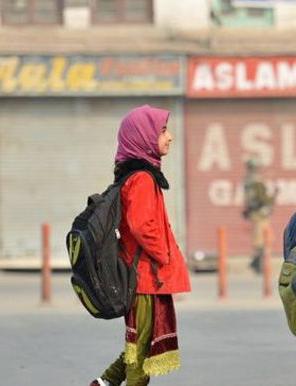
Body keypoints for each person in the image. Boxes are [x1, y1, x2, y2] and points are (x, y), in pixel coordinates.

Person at [91, 105, 191, 386]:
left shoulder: (134, 175)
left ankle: (101, 384)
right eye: (162, 131)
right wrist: (165, 255)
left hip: (142, 275)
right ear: (143, 137)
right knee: (140, 353)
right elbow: (141, 225)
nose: (169, 137)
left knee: (137, 344)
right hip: (145, 277)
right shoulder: (143, 179)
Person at [242, 158, 277, 273]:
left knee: (259, 239)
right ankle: (257, 265)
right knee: (261, 241)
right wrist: (273, 196)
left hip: (255, 213)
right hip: (260, 213)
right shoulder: (256, 182)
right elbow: (263, 199)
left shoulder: (247, 181)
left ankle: (257, 264)